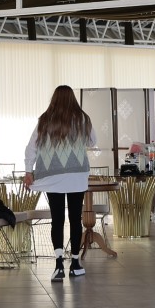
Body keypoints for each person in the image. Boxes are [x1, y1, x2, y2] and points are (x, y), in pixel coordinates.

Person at [22, 84, 96, 280]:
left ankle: (58, 265)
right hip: (77, 175)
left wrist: (28, 171)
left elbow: (31, 148)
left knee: (57, 219)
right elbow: (92, 141)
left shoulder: (45, 120)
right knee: (75, 219)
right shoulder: (82, 119)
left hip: (52, 175)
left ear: (54, 99)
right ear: (73, 98)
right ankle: (76, 263)